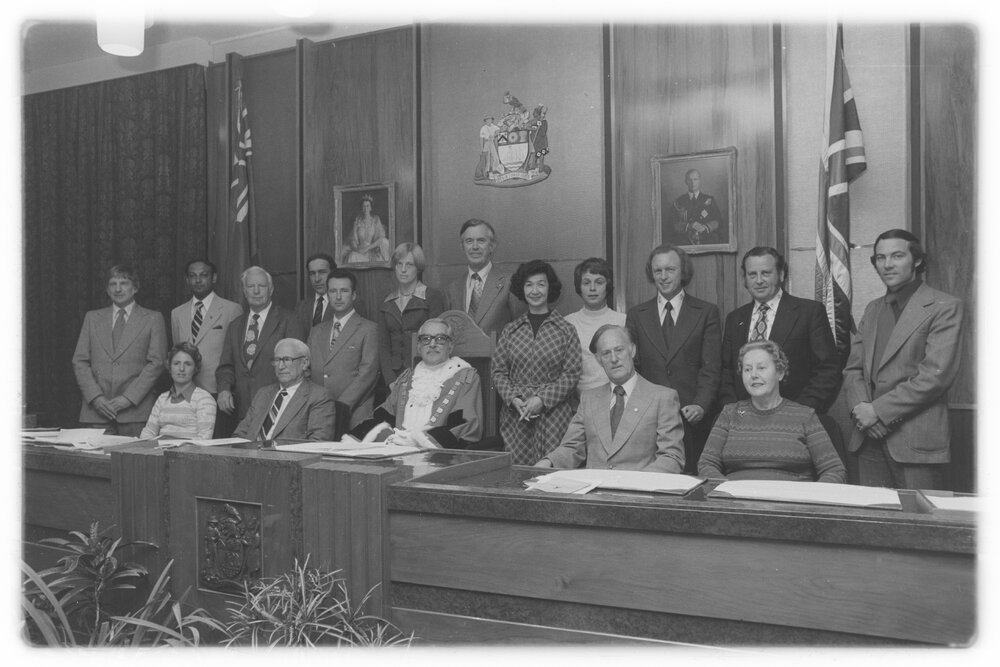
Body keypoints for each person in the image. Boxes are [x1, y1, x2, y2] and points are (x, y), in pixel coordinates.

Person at [843, 229, 964, 490]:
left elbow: (935, 376)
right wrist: (862, 410)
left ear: (917, 260)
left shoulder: (945, 306)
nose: (887, 264)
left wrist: (878, 412)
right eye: (880, 258)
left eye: (897, 256)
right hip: (867, 439)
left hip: (915, 441)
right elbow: (853, 369)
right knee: (872, 525)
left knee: (919, 526)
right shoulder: (873, 308)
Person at [536, 325, 685, 473]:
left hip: (639, 493)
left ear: (632, 350)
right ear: (598, 359)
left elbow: (672, 457)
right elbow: (572, 447)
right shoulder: (589, 398)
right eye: (606, 353)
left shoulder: (663, 398)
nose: (614, 359)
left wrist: (636, 483)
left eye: (619, 350)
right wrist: (548, 462)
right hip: (594, 493)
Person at [625, 244, 721, 474]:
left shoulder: (706, 312)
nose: (663, 276)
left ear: (683, 272)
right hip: (650, 418)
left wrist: (701, 404)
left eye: (670, 269)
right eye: (658, 271)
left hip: (691, 416)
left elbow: (712, 366)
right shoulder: (637, 315)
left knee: (691, 480)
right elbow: (633, 368)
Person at [698, 340, 846, 483]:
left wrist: (810, 498)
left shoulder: (805, 416)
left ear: (780, 373)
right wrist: (727, 491)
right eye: (747, 369)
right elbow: (706, 464)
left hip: (791, 504)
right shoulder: (730, 414)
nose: (753, 374)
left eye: (761, 368)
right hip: (737, 502)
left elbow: (834, 470)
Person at [720, 247, 841, 413]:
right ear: (745, 279)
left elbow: (828, 370)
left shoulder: (809, 312)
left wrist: (798, 413)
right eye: (752, 274)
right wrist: (734, 411)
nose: (759, 280)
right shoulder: (735, 319)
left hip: (795, 419)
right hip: (743, 420)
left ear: (781, 275)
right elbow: (726, 372)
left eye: (766, 273)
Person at [491, 260, 582, 465]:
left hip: (554, 415)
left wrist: (541, 400)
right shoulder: (511, 330)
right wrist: (514, 399)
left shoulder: (565, 329)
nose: (535, 290)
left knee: (552, 474)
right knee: (517, 476)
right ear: (522, 289)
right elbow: (498, 371)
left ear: (549, 288)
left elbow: (572, 373)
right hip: (517, 415)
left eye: (541, 284)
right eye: (529, 284)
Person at [351, 318, 483, 449]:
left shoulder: (465, 378)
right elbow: (383, 416)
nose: (432, 344)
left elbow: (465, 424)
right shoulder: (407, 379)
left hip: (438, 456)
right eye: (426, 339)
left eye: (440, 339)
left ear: (450, 345)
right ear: (419, 346)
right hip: (397, 452)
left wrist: (418, 441)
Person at [72, 265, 167, 437]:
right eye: (112, 284)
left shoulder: (153, 318)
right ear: (107, 289)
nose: (117, 289)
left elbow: (157, 363)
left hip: (135, 411)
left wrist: (127, 399)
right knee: (95, 462)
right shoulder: (92, 318)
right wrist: (95, 398)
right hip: (96, 411)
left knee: (134, 462)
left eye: (123, 283)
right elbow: (80, 361)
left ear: (135, 287)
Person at [216, 266, 306, 426]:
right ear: (244, 291)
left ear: (271, 289)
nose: (256, 291)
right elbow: (226, 366)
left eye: (262, 286)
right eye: (251, 286)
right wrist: (224, 389)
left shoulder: (289, 320)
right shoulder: (235, 326)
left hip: (278, 408)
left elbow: (298, 367)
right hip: (242, 410)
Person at [307, 268, 379, 436]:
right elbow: (307, 371)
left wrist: (340, 405)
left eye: (344, 291)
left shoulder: (369, 329)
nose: (338, 296)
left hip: (354, 414)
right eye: (333, 291)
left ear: (353, 295)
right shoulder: (316, 331)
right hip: (319, 414)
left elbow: (368, 374)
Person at [233, 338, 334, 441]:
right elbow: (239, 435)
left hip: (287, 456)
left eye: (287, 359)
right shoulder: (263, 393)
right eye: (277, 360)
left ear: (304, 363)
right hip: (249, 455)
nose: (281, 366)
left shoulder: (318, 397)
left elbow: (317, 443)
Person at [378, 242, 447, 386]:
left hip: (426, 375)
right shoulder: (387, 302)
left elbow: (440, 341)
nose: (403, 270)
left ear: (418, 268)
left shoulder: (432, 296)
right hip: (394, 378)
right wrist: (390, 381)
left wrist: (424, 376)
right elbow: (383, 346)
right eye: (399, 264)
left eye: (409, 265)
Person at [170, 259, 242, 394]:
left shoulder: (232, 310)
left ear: (214, 278)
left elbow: (237, 356)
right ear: (187, 280)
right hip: (185, 391)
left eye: (203, 275)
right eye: (192, 276)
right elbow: (177, 352)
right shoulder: (177, 313)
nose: (198, 280)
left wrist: (226, 389)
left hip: (218, 391)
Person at [443, 219, 522, 334]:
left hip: (498, 351)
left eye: (481, 240)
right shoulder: (452, 289)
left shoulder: (510, 283)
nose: (475, 247)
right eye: (469, 241)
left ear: (492, 246)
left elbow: (520, 328)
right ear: (462, 247)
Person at [563, 257, 626, 391]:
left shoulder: (622, 321)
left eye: (599, 282)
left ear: (607, 285)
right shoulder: (568, 323)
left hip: (618, 398)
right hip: (581, 402)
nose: (592, 288)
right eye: (586, 283)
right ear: (579, 287)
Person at [140, 342, 217, 440]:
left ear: (195, 368)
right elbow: (148, 432)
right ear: (170, 367)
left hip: (189, 454)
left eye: (187, 364)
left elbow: (204, 439)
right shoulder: (162, 398)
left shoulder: (204, 399)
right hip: (159, 452)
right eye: (176, 363)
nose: (181, 369)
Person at [667, 168, 723, 245]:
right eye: (690, 180)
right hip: (685, 242)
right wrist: (689, 226)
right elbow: (673, 224)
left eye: (695, 179)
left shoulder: (709, 200)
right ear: (686, 182)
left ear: (699, 180)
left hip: (706, 241)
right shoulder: (678, 202)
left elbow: (718, 220)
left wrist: (705, 227)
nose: (693, 183)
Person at [294, 252, 337, 333]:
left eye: (322, 272)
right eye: (312, 273)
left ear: (333, 273)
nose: (317, 279)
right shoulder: (301, 307)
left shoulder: (348, 303)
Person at [342, 195, 391, 265]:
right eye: (364, 206)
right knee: (351, 256)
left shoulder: (375, 219)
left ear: (370, 208)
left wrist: (368, 248)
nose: (366, 208)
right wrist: (358, 250)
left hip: (372, 251)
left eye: (367, 206)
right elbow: (353, 240)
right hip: (360, 251)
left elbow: (380, 238)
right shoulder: (357, 221)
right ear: (361, 208)